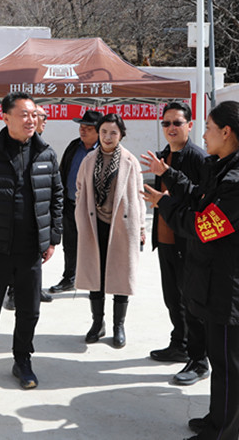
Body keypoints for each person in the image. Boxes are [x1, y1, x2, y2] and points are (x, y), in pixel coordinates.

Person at [142, 100, 239, 440]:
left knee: (227, 363)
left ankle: (223, 433)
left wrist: (164, 203)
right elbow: (199, 197)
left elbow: (203, 226)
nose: (204, 135)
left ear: (226, 132)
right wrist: (169, 175)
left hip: (229, 284)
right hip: (215, 277)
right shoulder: (226, 167)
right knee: (219, 358)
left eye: (209, 129)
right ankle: (217, 419)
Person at [0, 92, 63, 397]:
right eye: (24, 114)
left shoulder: (46, 153)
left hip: (31, 248)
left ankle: (22, 360)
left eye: (34, 114)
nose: (31, 120)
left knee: (29, 310)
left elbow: (56, 197)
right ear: (5, 118)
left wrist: (52, 238)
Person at [148, 102, 210, 388]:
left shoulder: (198, 158)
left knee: (192, 301)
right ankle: (179, 343)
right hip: (166, 239)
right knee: (172, 297)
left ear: (190, 125)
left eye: (177, 123)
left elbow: (199, 198)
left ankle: (199, 360)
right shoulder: (163, 156)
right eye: (166, 123)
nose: (171, 128)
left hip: (188, 240)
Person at [74, 113, 145, 348]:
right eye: (104, 132)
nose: (107, 136)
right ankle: (98, 323)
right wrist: (80, 214)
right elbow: (79, 188)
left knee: (120, 276)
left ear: (121, 135)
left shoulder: (130, 161)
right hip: (95, 225)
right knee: (96, 276)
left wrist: (141, 227)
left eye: (113, 132)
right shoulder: (89, 160)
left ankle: (118, 326)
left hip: (122, 227)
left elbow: (139, 197)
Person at [5, 104, 54, 309]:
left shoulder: (44, 150)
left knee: (35, 259)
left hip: (38, 219)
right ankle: (13, 292)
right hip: (14, 219)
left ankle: (34, 288)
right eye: (39, 115)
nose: (41, 120)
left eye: (40, 116)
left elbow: (55, 190)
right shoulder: (12, 147)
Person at [48, 109, 102, 294]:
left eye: (88, 128)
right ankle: (69, 278)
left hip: (95, 209)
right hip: (71, 204)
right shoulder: (74, 146)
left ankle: (97, 283)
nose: (83, 130)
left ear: (99, 131)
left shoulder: (104, 151)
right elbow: (63, 171)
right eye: (81, 127)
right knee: (70, 245)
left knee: (95, 246)